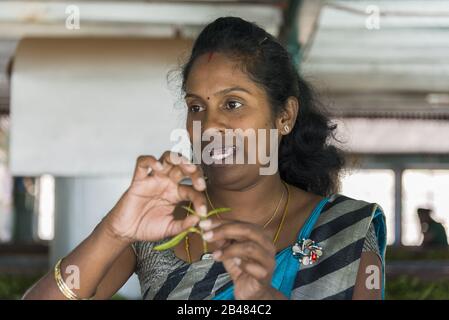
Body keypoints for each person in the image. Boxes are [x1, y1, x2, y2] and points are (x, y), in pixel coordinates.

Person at [23, 17, 386, 300]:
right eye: (196, 107)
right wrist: (115, 230)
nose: (209, 125)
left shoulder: (346, 230)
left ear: (284, 117)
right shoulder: (158, 230)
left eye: (233, 104)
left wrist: (262, 295)